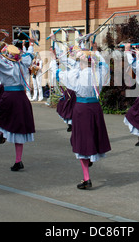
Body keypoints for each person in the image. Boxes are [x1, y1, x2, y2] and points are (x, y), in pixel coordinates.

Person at [51, 42, 111, 189]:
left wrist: (54, 60)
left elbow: (58, 74)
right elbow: (103, 65)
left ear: (80, 61)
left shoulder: (76, 75)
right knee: (92, 137)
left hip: (82, 109)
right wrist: (94, 52)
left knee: (81, 142)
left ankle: (86, 178)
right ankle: (90, 158)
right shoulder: (99, 72)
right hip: (96, 108)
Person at [0, 35, 36, 171]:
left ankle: (3, 133)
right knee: (19, 130)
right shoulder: (23, 62)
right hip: (22, 99)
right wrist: (31, 43)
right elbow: (29, 54)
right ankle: (18, 160)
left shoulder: (6, 64)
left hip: (10, 97)